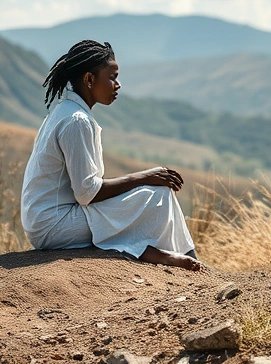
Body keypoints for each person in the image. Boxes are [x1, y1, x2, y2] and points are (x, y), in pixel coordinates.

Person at [21, 39, 201, 271]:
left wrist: (144, 181)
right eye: (112, 77)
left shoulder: (66, 112)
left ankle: (161, 253)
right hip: (52, 225)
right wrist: (144, 176)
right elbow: (87, 193)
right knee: (156, 197)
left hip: (48, 219)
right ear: (89, 79)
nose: (118, 85)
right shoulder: (77, 121)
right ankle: (182, 259)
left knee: (159, 194)